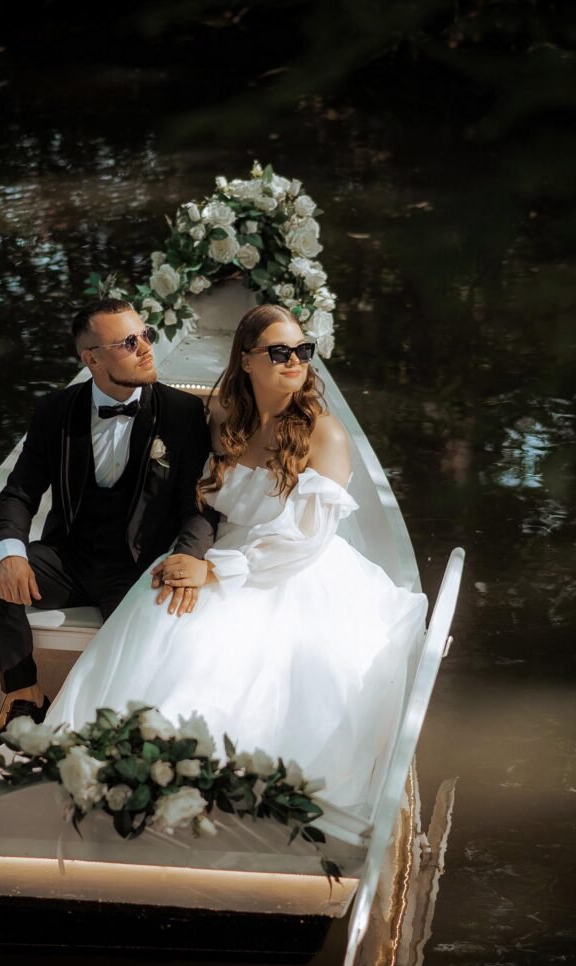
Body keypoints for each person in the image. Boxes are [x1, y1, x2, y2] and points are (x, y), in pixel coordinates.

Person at [46, 304, 428, 810]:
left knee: (250, 657)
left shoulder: (324, 434)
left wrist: (216, 570)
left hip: (290, 569)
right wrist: (193, 557)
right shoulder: (223, 411)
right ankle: (127, 766)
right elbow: (199, 499)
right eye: (279, 352)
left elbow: (306, 540)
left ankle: (217, 786)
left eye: (303, 351)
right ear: (246, 360)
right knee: (159, 611)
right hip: (221, 553)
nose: (295, 361)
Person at [0, 298, 218, 739]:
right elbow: (20, 491)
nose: (146, 348)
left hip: (140, 566)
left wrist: (188, 556)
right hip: (70, 558)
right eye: (128, 342)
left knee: (153, 639)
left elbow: (198, 505)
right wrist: (10, 550)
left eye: (145, 335)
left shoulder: (182, 415)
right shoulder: (55, 410)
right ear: (91, 359)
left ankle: (118, 722)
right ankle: (26, 691)